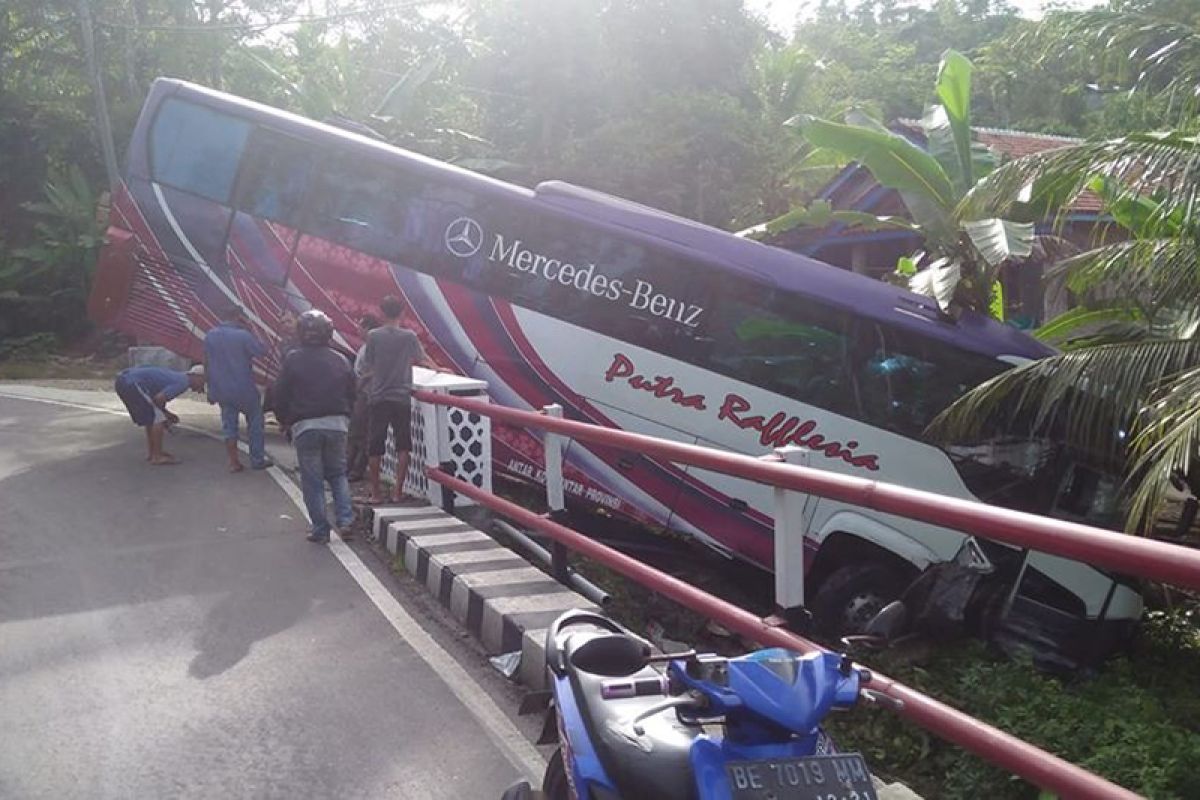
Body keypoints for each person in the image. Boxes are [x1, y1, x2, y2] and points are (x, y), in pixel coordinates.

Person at [271, 309, 356, 543]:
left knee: (313, 481)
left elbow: (280, 393)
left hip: (305, 425)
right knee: (338, 474)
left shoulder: (293, 358)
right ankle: (346, 521)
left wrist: (283, 420)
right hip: (338, 424)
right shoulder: (341, 359)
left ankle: (320, 530)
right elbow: (352, 392)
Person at [358, 295, 440, 504]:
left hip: (378, 396)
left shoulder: (374, 336)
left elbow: (368, 364)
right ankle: (397, 492)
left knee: (375, 445)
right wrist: (438, 369)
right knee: (403, 445)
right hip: (402, 396)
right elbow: (422, 358)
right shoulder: (409, 336)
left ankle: (375, 493)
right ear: (402, 313)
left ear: (381, 313)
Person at [204, 306, 272, 472]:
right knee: (255, 424)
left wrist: (210, 389)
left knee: (229, 426)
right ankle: (257, 460)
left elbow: (207, 363)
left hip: (222, 389)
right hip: (245, 388)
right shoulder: (243, 335)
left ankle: (234, 462)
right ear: (238, 316)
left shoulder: (210, 335)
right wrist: (251, 328)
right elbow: (262, 351)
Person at [114, 364, 206, 465]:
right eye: (203, 382)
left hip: (125, 380)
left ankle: (153, 452)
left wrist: (166, 413)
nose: (202, 387)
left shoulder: (178, 377)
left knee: (152, 417)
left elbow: (157, 399)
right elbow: (159, 399)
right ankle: (156, 456)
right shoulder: (183, 382)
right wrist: (167, 415)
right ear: (197, 376)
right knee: (158, 419)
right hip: (132, 383)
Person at [347, 314, 380, 482]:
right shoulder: (365, 347)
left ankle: (355, 469)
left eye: (360, 326)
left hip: (367, 393)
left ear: (368, 328)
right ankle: (349, 466)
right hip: (363, 392)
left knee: (359, 432)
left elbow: (374, 370)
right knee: (356, 432)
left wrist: (360, 383)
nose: (357, 329)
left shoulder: (373, 347)